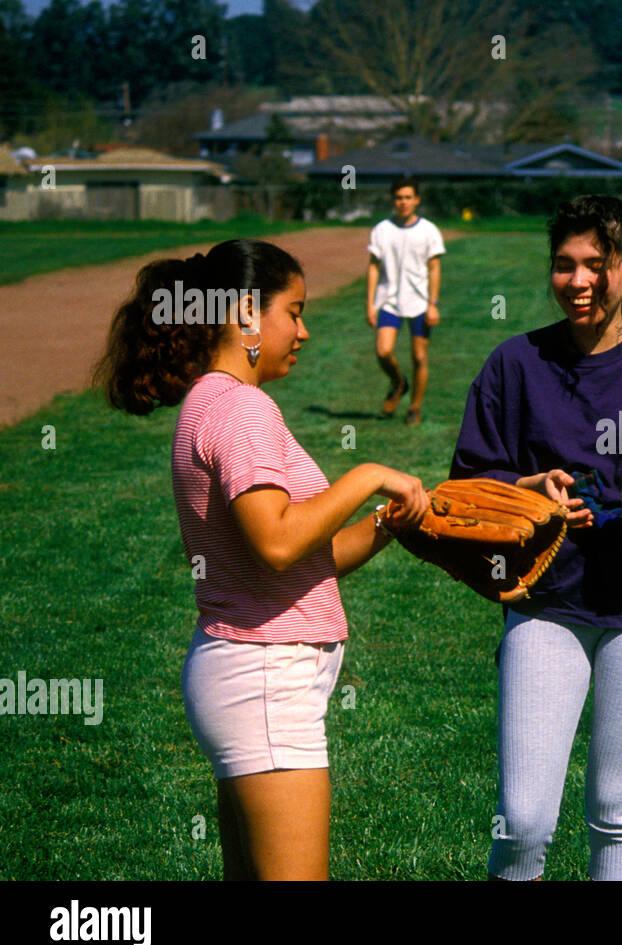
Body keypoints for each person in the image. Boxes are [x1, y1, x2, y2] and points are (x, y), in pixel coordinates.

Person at [96, 239, 431, 880]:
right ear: (247, 312)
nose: (303, 331)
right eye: (295, 312)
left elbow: (315, 550)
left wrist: (396, 519)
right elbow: (277, 542)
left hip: (250, 672)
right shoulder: (240, 407)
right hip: (265, 678)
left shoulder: (214, 400)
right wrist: (364, 477)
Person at [449, 195, 622, 881]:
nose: (578, 281)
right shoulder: (514, 365)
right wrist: (530, 493)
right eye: (563, 265)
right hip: (549, 600)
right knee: (523, 817)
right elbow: (463, 488)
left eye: (596, 266)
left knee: (615, 808)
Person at [366, 177, 445, 426]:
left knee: (419, 356)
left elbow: (434, 268)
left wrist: (433, 303)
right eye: (399, 198)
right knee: (383, 350)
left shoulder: (428, 230)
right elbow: (373, 267)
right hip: (388, 301)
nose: (403, 202)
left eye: (408, 197)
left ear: (417, 200)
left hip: (420, 303)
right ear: (393, 200)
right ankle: (399, 382)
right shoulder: (381, 230)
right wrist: (370, 303)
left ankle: (414, 407)